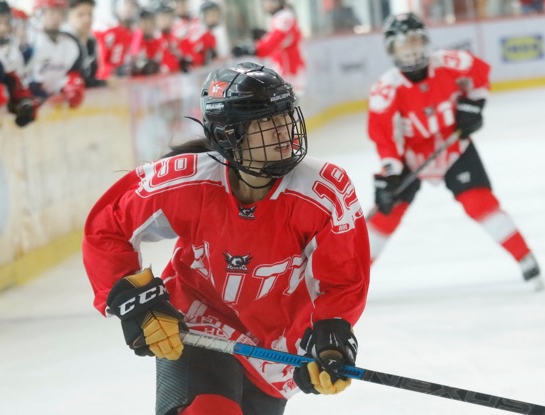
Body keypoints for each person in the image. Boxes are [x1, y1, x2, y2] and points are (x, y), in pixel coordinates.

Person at [82, 62, 370, 414]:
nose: (282, 129)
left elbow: (341, 282)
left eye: (283, 115)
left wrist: (331, 338)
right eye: (264, 120)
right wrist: (137, 303)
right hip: (200, 326)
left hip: (273, 355)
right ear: (229, 133)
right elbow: (106, 226)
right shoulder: (189, 180)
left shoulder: (324, 192)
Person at [366, 13, 544, 290]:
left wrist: (475, 103)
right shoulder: (385, 89)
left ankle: (525, 257)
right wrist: (389, 173)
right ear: (392, 50)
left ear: (425, 41)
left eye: (414, 41)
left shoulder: (450, 63)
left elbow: (480, 74)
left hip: (453, 145)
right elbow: (385, 139)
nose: (410, 49)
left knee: (479, 202)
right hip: (411, 156)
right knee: (386, 213)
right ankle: (347, 280)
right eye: (402, 45)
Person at [231, 0, 306, 97]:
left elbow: (273, 43)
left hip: (290, 73)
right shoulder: (283, 15)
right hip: (288, 72)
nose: (266, 4)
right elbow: (281, 41)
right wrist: (265, 37)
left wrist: (251, 49)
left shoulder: (284, 16)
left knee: (287, 106)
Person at [26, 0, 85, 109]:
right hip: (32, 104)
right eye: (51, 13)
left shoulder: (70, 44)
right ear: (39, 14)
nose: (56, 17)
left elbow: (73, 72)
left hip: (55, 106)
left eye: (59, 12)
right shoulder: (30, 42)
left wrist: (72, 85)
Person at [0, 0, 36, 127]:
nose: (3, 28)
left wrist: (23, 103)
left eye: (7, 22)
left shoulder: (15, 48)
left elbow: (17, 82)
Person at [64, 0, 106, 87]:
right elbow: (69, 80)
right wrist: (104, 83)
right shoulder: (65, 42)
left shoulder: (92, 41)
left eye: (90, 14)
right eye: (80, 15)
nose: (87, 19)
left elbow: (91, 75)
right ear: (68, 16)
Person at [93, 0, 138, 79]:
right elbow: (101, 61)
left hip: (126, 79)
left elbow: (133, 58)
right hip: (107, 80)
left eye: (132, 6)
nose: (129, 9)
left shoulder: (135, 33)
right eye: (125, 5)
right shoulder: (108, 30)